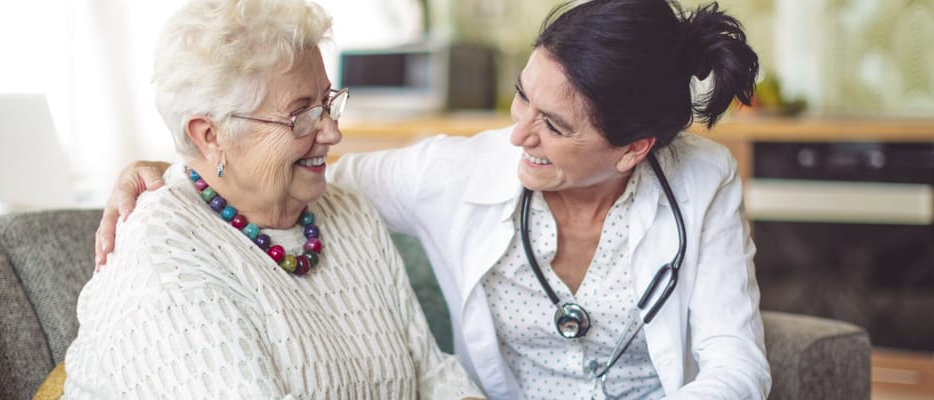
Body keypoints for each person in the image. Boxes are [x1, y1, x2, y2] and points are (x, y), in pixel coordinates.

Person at [96, 0, 769, 398]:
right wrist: (186, 168)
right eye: (521, 95)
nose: (516, 133)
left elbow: (734, 362)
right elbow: (289, 184)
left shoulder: (700, 182)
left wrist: (235, 153)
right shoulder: (455, 172)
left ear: (631, 150)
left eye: (555, 128)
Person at [60, 0, 484, 398]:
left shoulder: (347, 211)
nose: (333, 134)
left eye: (327, 103)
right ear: (210, 136)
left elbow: (430, 375)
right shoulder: (166, 256)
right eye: (302, 116)